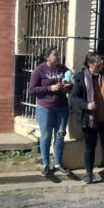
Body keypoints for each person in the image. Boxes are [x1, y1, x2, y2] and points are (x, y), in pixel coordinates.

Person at [70, 53, 104, 184]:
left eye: (101, 60)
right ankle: (89, 174)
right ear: (90, 64)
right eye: (98, 61)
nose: (101, 63)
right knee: (90, 147)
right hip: (90, 119)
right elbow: (74, 98)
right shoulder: (80, 77)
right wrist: (86, 105)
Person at [28, 46, 72, 177]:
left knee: (60, 135)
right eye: (55, 55)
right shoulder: (39, 70)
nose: (58, 57)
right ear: (47, 57)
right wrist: (50, 88)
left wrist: (68, 86)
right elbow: (32, 90)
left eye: (59, 55)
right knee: (46, 136)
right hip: (45, 108)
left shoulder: (62, 69)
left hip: (62, 107)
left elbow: (70, 84)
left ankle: (57, 163)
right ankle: (46, 164)